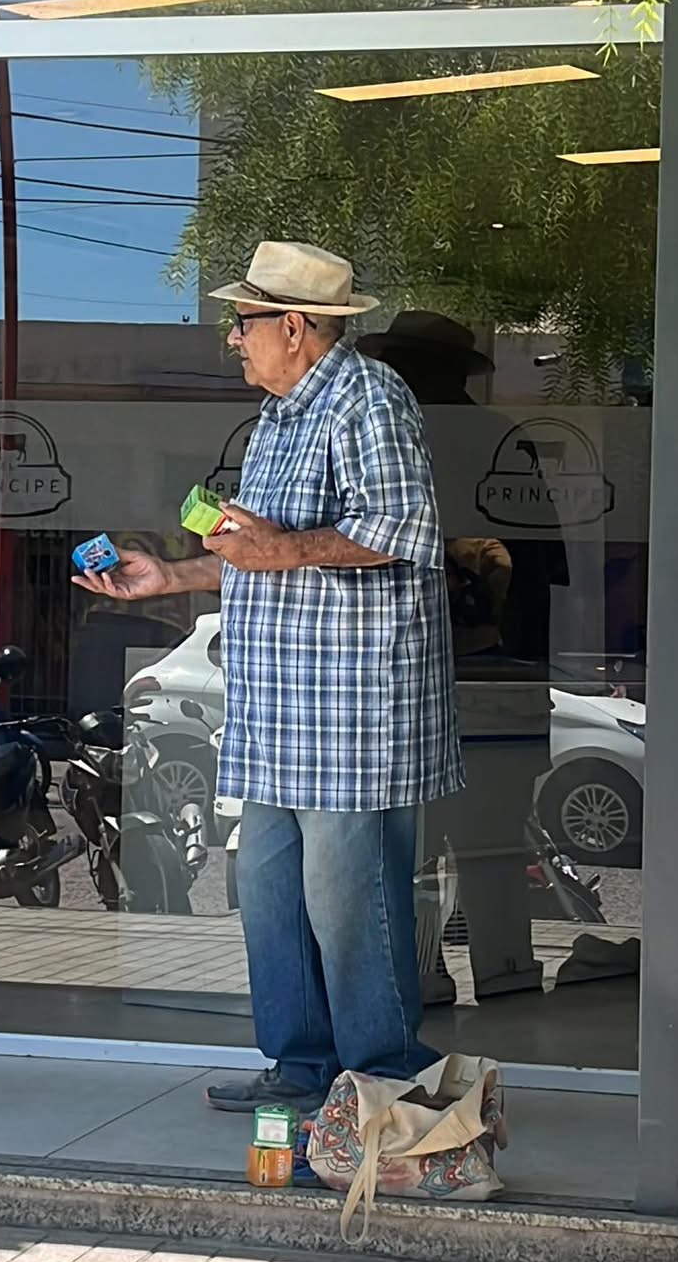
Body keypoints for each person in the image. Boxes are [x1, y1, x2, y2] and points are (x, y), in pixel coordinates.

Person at [74, 242, 463, 1115]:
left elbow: (399, 529)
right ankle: (299, 1066)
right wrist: (171, 575)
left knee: (347, 896)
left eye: (242, 323)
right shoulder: (282, 415)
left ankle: (382, 1077)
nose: (233, 340)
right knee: (269, 890)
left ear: (294, 327)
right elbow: (259, 555)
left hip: (350, 701)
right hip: (281, 699)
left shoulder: (368, 398)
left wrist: (278, 548)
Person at [358, 310, 570, 999]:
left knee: (413, 842)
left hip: (419, 674)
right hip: (504, 672)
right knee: (495, 844)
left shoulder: (392, 441)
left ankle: (419, 976)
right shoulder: (499, 439)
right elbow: (546, 572)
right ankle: (505, 969)